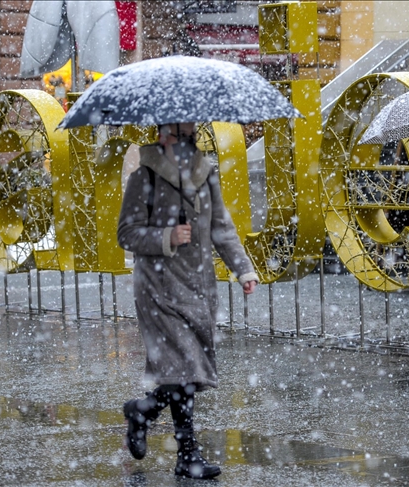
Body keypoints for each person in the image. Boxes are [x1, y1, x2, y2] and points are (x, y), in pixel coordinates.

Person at [117, 122, 259, 479]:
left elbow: (221, 226)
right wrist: (167, 236)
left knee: (188, 373)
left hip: (197, 287)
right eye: (181, 135)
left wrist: (243, 269)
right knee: (186, 368)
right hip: (158, 289)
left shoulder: (205, 174)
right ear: (163, 135)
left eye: (191, 135)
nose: (187, 142)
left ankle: (144, 412)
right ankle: (187, 453)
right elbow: (126, 234)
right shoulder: (143, 178)